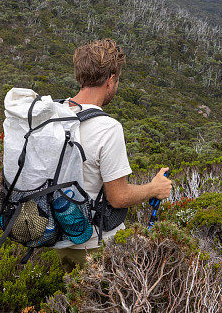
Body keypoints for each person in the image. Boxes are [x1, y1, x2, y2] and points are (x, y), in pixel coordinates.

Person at [51, 38, 172, 271]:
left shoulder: (55, 113)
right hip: (95, 243)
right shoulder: (108, 128)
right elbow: (118, 197)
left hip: (59, 237)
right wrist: (154, 188)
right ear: (111, 80)